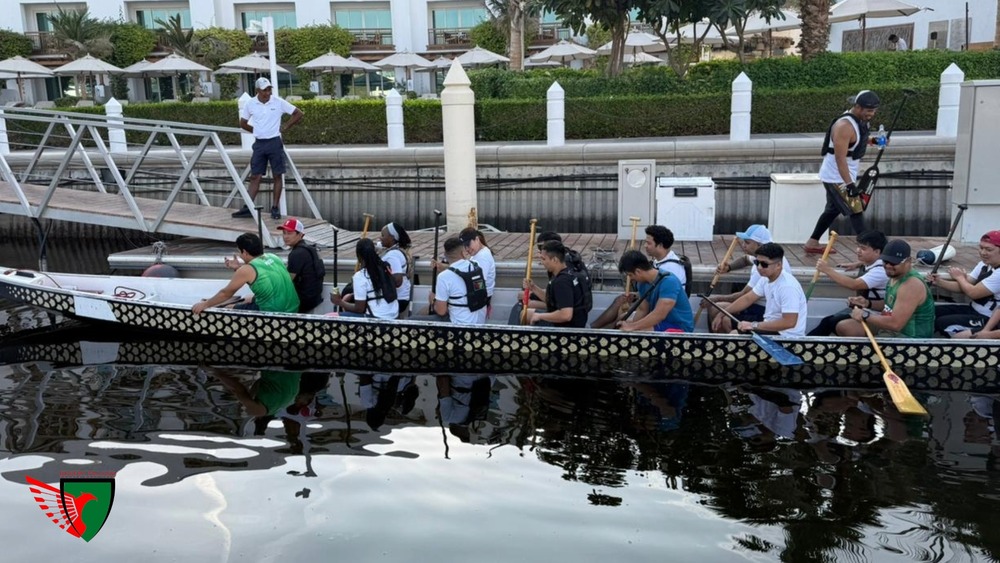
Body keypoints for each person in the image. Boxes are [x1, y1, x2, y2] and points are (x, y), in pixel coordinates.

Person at [804, 90, 880, 253]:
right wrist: (850, 184)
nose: (872, 114)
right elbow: (840, 158)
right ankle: (869, 249)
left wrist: (876, 140)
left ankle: (812, 242)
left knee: (832, 210)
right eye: (869, 111)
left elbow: (859, 139)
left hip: (844, 174)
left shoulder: (860, 121)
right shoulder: (844, 126)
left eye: (874, 110)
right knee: (855, 209)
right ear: (858, 107)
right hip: (836, 176)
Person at [233, 77, 304, 220]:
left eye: (269, 89)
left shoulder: (278, 102)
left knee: (277, 175)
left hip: (274, 143)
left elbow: (298, 113)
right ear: (258, 90)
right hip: (259, 143)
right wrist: (257, 130)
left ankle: (275, 208)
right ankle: (248, 207)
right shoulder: (250, 103)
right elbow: (243, 122)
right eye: (265, 90)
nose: (268, 92)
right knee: (255, 176)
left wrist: (286, 126)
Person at [703, 224, 791, 334]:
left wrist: (715, 299)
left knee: (721, 313)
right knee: (719, 309)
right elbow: (745, 260)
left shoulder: (767, 270)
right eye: (757, 263)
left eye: (747, 242)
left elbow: (743, 295)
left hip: (764, 312)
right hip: (760, 308)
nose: (743, 245)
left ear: (759, 244)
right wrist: (729, 267)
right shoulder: (763, 259)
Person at [840, 239, 935, 338]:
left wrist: (865, 315)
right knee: (845, 327)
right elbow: (890, 304)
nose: (888, 266)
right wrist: (867, 303)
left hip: (909, 337)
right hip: (890, 328)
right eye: (885, 261)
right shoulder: (894, 275)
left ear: (908, 261)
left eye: (894, 263)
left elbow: (895, 324)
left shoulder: (911, 285)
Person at [193, 233, 299, 314]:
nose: (239, 255)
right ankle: (215, 302)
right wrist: (238, 268)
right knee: (247, 297)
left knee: (227, 308)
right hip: (294, 308)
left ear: (244, 252)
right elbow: (260, 276)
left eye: (239, 251)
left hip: (273, 314)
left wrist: (205, 305)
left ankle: (213, 303)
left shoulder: (247, 270)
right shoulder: (273, 257)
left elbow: (225, 293)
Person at [808, 230, 889, 336]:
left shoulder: (880, 271)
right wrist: (858, 263)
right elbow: (868, 263)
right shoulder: (870, 263)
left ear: (877, 252)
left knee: (831, 323)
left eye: (863, 248)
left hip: (875, 314)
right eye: (858, 246)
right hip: (863, 309)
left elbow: (854, 285)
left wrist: (827, 270)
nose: (858, 250)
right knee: (828, 321)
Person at [721, 242, 808, 337]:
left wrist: (753, 325)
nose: (759, 267)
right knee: (726, 321)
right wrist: (723, 312)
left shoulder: (787, 287)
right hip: (771, 330)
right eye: (757, 263)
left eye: (764, 264)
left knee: (734, 335)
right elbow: (747, 299)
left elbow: (789, 322)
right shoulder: (765, 279)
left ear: (778, 265)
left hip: (786, 336)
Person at [929, 230, 1000, 336]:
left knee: (943, 323)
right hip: (973, 309)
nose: (983, 253)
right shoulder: (984, 265)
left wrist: (959, 277)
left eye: (989, 250)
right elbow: (965, 286)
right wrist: (939, 282)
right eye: (981, 248)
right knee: (931, 312)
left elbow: (973, 292)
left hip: (988, 318)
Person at [616, 250, 694, 332]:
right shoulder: (641, 283)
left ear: (638, 271)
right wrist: (628, 326)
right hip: (660, 323)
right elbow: (642, 310)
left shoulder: (669, 282)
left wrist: (632, 327)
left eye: (630, 275)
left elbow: (659, 315)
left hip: (679, 326)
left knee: (639, 331)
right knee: (623, 325)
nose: (630, 279)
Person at [525, 240, 589, 328]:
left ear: (555, 259)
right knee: (527, 313)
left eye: (544, 259)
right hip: (576, 322)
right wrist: (533, 287)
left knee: (523, 314)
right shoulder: (569, 273)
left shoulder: (561, 282)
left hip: (566, 329)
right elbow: (552, 300)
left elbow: (566, 315)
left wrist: (539, 316)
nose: (542, 262)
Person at [331, 238, 398, 319]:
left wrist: (339, 302)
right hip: (394, 316)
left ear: (358, 255)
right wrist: (352, 295)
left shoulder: (360, 276)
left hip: (376, 319)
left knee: (329, 317)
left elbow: (359, 309)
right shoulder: (385, 268)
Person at [428, 236, 488, 325]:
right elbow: (459, 269)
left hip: (459, 327)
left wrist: (433, 301)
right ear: (463, 252)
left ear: (445, 255)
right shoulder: (476, 266)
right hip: (480, 323)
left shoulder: (443, 277)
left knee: (414, 319)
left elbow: (441, 311)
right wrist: (443, 267)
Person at [277, 218, 325, 313]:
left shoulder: (297, 254)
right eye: (284, 233)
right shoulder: (310, 249)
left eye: (290, 233)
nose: (285, 237)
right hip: (314, 298)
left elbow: (287, 281)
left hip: (302, 301)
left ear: (300, 235)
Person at [379, 222, 413, 317]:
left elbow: (398, 281)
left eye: (383, 235)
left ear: (392, 237)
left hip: (397, 299)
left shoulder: (393, 255)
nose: (380, 238)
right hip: (401, 298)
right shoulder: (397, 251)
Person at [459, 227, 496, 308]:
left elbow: (479, 283)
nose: (467, 249)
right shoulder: (479, 253)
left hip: (480, 299)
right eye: (464, 246)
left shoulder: (482, 257)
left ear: (477, 239)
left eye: (468, 245)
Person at [644, 225, 687, 289]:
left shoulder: (670, 269)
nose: (645, 245)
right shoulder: (660, 260)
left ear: (660, 245)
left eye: (649, 243)